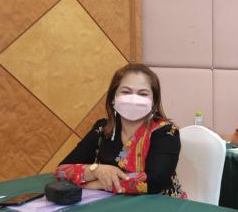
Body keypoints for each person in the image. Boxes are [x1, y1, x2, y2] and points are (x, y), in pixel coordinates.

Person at [56, 64, 186, 196]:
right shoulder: (102, 129)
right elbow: (61, 171)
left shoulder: (167, 132)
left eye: (143, 94)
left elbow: (155, 181)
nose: (133, 99)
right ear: (113, 98)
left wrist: (97, 184)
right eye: (126, 92)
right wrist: (95, 170)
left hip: (161, 204)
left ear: (153, 102)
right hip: (109, 203)